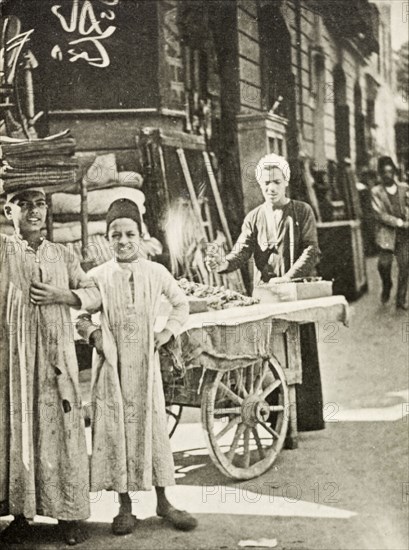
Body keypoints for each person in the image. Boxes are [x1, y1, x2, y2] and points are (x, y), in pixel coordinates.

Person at [76, 198, 197, 535]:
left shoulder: (155, 272)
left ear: (141, 236)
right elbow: (80, 314)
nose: (124, 241)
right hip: (111, 369)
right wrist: (94, 333)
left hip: (145, 368)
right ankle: (125, 506)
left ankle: (163, 501)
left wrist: (166, 332)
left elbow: (181, 303)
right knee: (116, 432)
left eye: (130, 234)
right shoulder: (96, 276)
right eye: (116, 235)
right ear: (107, 239)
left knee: (153, 428)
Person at [0, 187, 99, 545]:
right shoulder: (2, 250)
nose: (33, 212)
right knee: (21, 429)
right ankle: (22, 513)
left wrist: (64, 296)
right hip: (16, 359)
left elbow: (93, 291)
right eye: (23, 205)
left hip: (57, 359)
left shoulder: (62, 253)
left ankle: (69, 516)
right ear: (9, 210)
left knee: (63, 428)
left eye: (39, 205)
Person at [206, 153, 324, 431]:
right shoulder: (254, 217)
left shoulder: (301, 211)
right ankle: (272, 418)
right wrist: (223, 263)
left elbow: (311, 249)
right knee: (267, 355)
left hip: (293, 292)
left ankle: (303, 420)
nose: (271, 188)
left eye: (276, 182)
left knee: (297, 353)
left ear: (286, 183)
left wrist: (288, 277)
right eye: (266, 183)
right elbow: (241, 252)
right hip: (265, 297)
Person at [371, 156, 409, 310]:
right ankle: (387, 285)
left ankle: (401, 300)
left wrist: (407, 218)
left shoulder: (404, 188)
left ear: (394, 171)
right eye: (384, 172)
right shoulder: (376, 191)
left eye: (390, 171)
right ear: (380, 174)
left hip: (404, 235)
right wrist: (399, 222)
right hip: (387, 233)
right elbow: (379, 214)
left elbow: (408, 205)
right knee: (383, 265)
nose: (388, 175)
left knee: (405, 266)